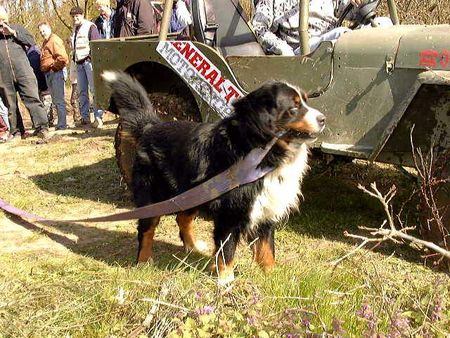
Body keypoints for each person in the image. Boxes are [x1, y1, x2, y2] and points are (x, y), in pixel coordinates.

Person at [252, 0, 386, 56]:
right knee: (342, 35)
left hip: (331, 45)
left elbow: (356, 13)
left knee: (384, 23)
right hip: (300, 52)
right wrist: (284, 50)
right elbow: (259, 27)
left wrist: (362, 3)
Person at [0, 6, 49, 139]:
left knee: (32, 98)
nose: (1, 23)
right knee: (10, 104)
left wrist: (13, 33)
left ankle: (42, 127)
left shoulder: (17, 28)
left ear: (6, 18)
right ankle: (16, 131)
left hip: (23, 71)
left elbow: (30, 41)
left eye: (3, 19)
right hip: (3, 75)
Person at [70, 6, 103, 128]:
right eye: (73, 17)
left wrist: (90, 58)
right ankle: (85, 117)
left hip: (89, 62)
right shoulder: (74, 29)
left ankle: (98, 117)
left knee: (94, 90)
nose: (75, 18)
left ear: (82, 15)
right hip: (78, 63)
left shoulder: (90, 26)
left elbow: (96, 44)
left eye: (77, 16)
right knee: (82, 92)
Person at [38, 22, 69, 130]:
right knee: (55, 100)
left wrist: (53, 68)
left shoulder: (54, 40)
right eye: (40, 31)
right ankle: (61, 123)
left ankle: (62, 124)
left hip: (55, 73)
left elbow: (63, 58)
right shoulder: (45, 42)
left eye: (44, 30)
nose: (42, 33)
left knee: (59, 100)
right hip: (49, 74)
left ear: (49, 28)